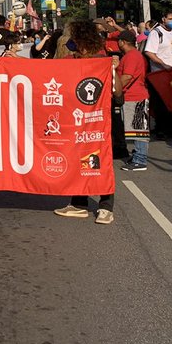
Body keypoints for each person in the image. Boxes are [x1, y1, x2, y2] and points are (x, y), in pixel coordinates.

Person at [54, 19, 116, 224]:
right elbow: (47, 72)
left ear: (82, 42)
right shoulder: (73, 61)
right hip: (77, 120)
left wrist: (111, 73)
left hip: (100, 121)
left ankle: (106, 206)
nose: (72, 46)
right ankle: (79, 203)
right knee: (77, 159)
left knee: (102, 160)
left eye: (75, 42)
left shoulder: (104, 62)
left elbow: (119, 94)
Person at [143, 11, 172, 139]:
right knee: (161, 102)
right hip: (161, 74)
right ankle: (160, 129)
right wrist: (163, 64)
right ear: (163, 19)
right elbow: (149, 52)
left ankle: (171, 128)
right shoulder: (156, 33)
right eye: (170, 19)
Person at [117, 30, 150, 172]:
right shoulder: (133, 55)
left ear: (122, 42)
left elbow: (127, 76)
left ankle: (140, 160)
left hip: (135, 96)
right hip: (133, 95)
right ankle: (138, 155)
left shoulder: (131, 56)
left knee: (138, 129)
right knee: (135, 129)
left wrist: (115, 90)